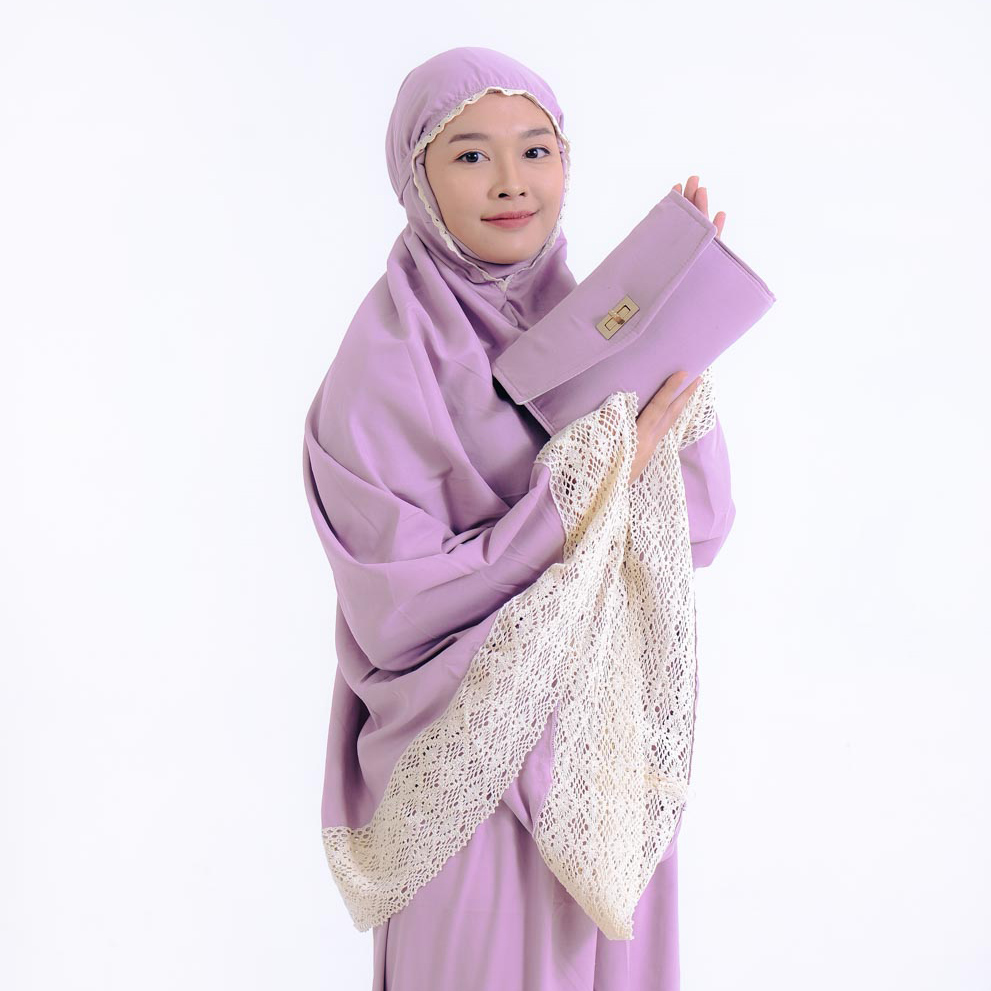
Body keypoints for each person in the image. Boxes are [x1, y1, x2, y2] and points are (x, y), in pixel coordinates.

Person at [302, 46, 736, 991]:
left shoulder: (596, 324)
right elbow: (398, 609)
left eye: (537, 150)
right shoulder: (384, 366)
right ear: (415, 177)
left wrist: (678, 339)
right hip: (470, 781)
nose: (512, 182)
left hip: (599, 772)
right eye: (470, 155)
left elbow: (698, 527)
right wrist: (586, 483)